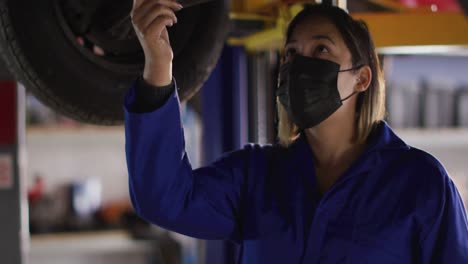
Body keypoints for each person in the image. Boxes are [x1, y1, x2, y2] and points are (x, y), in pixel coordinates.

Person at [125, 1, 468, 263]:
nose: (300, 65)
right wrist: (158, 66)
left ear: (362, 78)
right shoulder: (256, 176)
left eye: (321, 49)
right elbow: (164, 200)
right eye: (291, 53)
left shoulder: (419, 184)